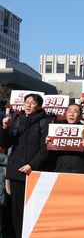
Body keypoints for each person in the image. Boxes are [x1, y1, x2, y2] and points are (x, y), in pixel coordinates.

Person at [0, 94, 49, 238]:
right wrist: (4, 128)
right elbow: (5, 144)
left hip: (32, 172)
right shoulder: (16, 119)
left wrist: (31, 165)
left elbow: (45, 149)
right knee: (15, 210)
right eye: (26, 102)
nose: (28, 105)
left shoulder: (44, 122)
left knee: (30, 209)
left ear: (39, 106)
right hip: (15, 170)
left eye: (32, 103)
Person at [49, 104, 84, 174]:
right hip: (60, 170)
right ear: (66, 114)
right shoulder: (57, 130)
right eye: (69, 111)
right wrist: (49, 142)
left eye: (75, 112)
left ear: (80, 115)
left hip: (81, 171)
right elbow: (51, 155)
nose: (71, 114)